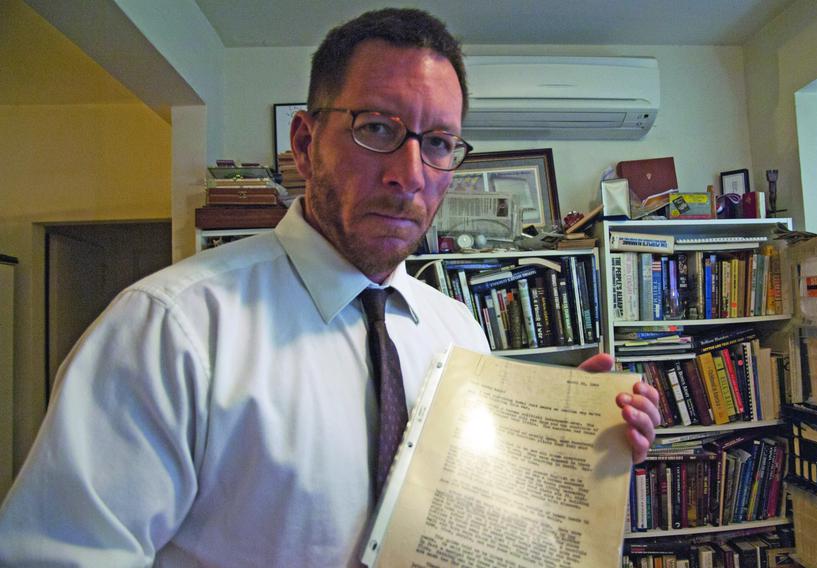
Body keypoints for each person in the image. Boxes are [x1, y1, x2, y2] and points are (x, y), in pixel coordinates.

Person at [0, 8, 660, 566]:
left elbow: (470, 518)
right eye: (377, 129)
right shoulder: (170, 328)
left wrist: (582, 448)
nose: (410, 173)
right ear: (306, 142)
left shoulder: (459, 328)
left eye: (438, 143)